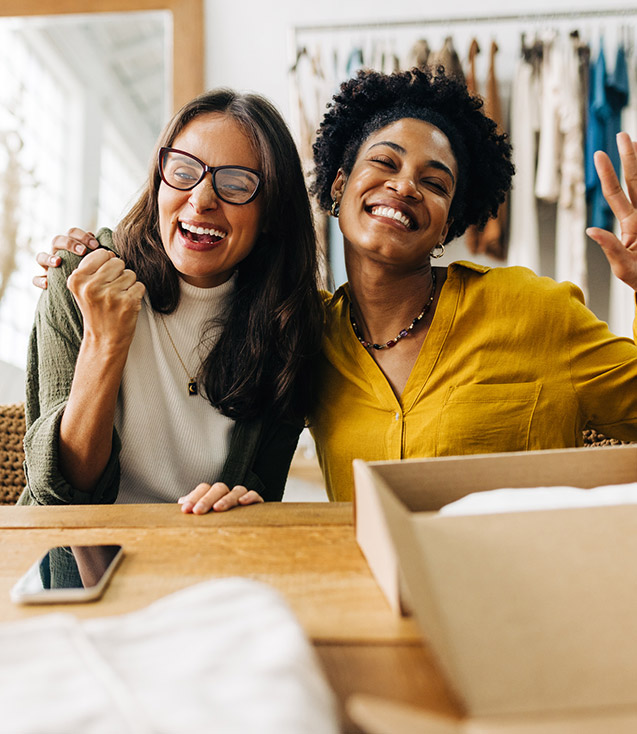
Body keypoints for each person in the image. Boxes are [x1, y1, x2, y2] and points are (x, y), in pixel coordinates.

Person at [35, 69, 637, 503]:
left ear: (449, 223)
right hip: (366, 605)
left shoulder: (531, 309)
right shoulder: (308, 332)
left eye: (435, 181)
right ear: (338, 186)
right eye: (385, 162)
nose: (404, 187)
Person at [20, 88, 323, 512]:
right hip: (80, 559)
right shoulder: (82, 278)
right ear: (159, 180)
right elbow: (60, 492)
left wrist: (241, 502)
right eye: (183, 172)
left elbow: (264, 495)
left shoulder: (290, 324)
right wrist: (103, 343)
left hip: (204, 559)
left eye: (235, 184)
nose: (201, 200)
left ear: (272, 211)